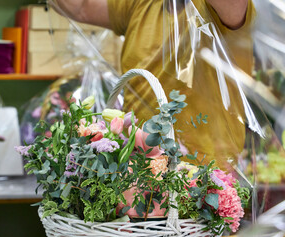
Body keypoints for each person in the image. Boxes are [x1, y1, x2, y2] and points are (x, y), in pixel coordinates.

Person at [52, 0, 256, 168]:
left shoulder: (221, 7)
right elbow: (79, 6)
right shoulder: (142, 3)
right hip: (139, 171)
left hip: (205, 176)